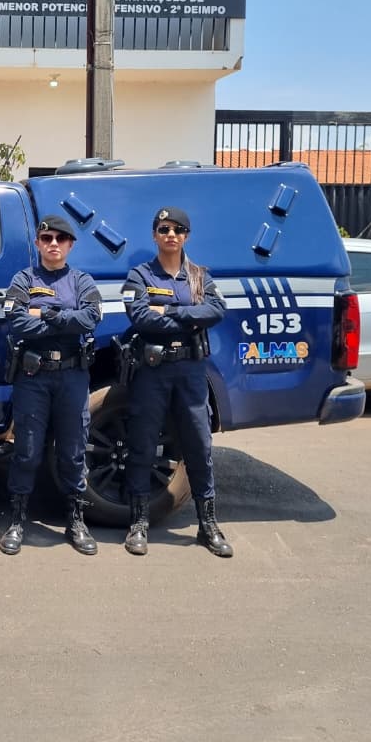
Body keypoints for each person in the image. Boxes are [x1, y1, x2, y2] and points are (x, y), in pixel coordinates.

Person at [121, 206, 231, 558]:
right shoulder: (139, 275)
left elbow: (215, 310)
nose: (171, 235)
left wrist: (168, 312)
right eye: (164, 228)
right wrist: (188, 318)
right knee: (141, 445)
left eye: (178, 229)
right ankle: (138, 524)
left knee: (199, 446)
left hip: (191, 373)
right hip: (152, 373)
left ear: (186, 236)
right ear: (154, 234)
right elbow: (139, 317)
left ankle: (207, 525)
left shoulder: (199, 276)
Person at [1, 215, 101, 556]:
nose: (53, 243)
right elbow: (15, 322)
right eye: (47, 238)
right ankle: (17, 521)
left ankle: (75, 521)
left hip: (72, 376)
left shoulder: (82, 280)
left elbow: (91, 318)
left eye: (60, 238)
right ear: (38, 243)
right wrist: (64, 321)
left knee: (73, 453)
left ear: (70, 244)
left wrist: (45, 314)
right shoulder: (24, 279)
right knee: (26, 450)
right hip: (33, 378)